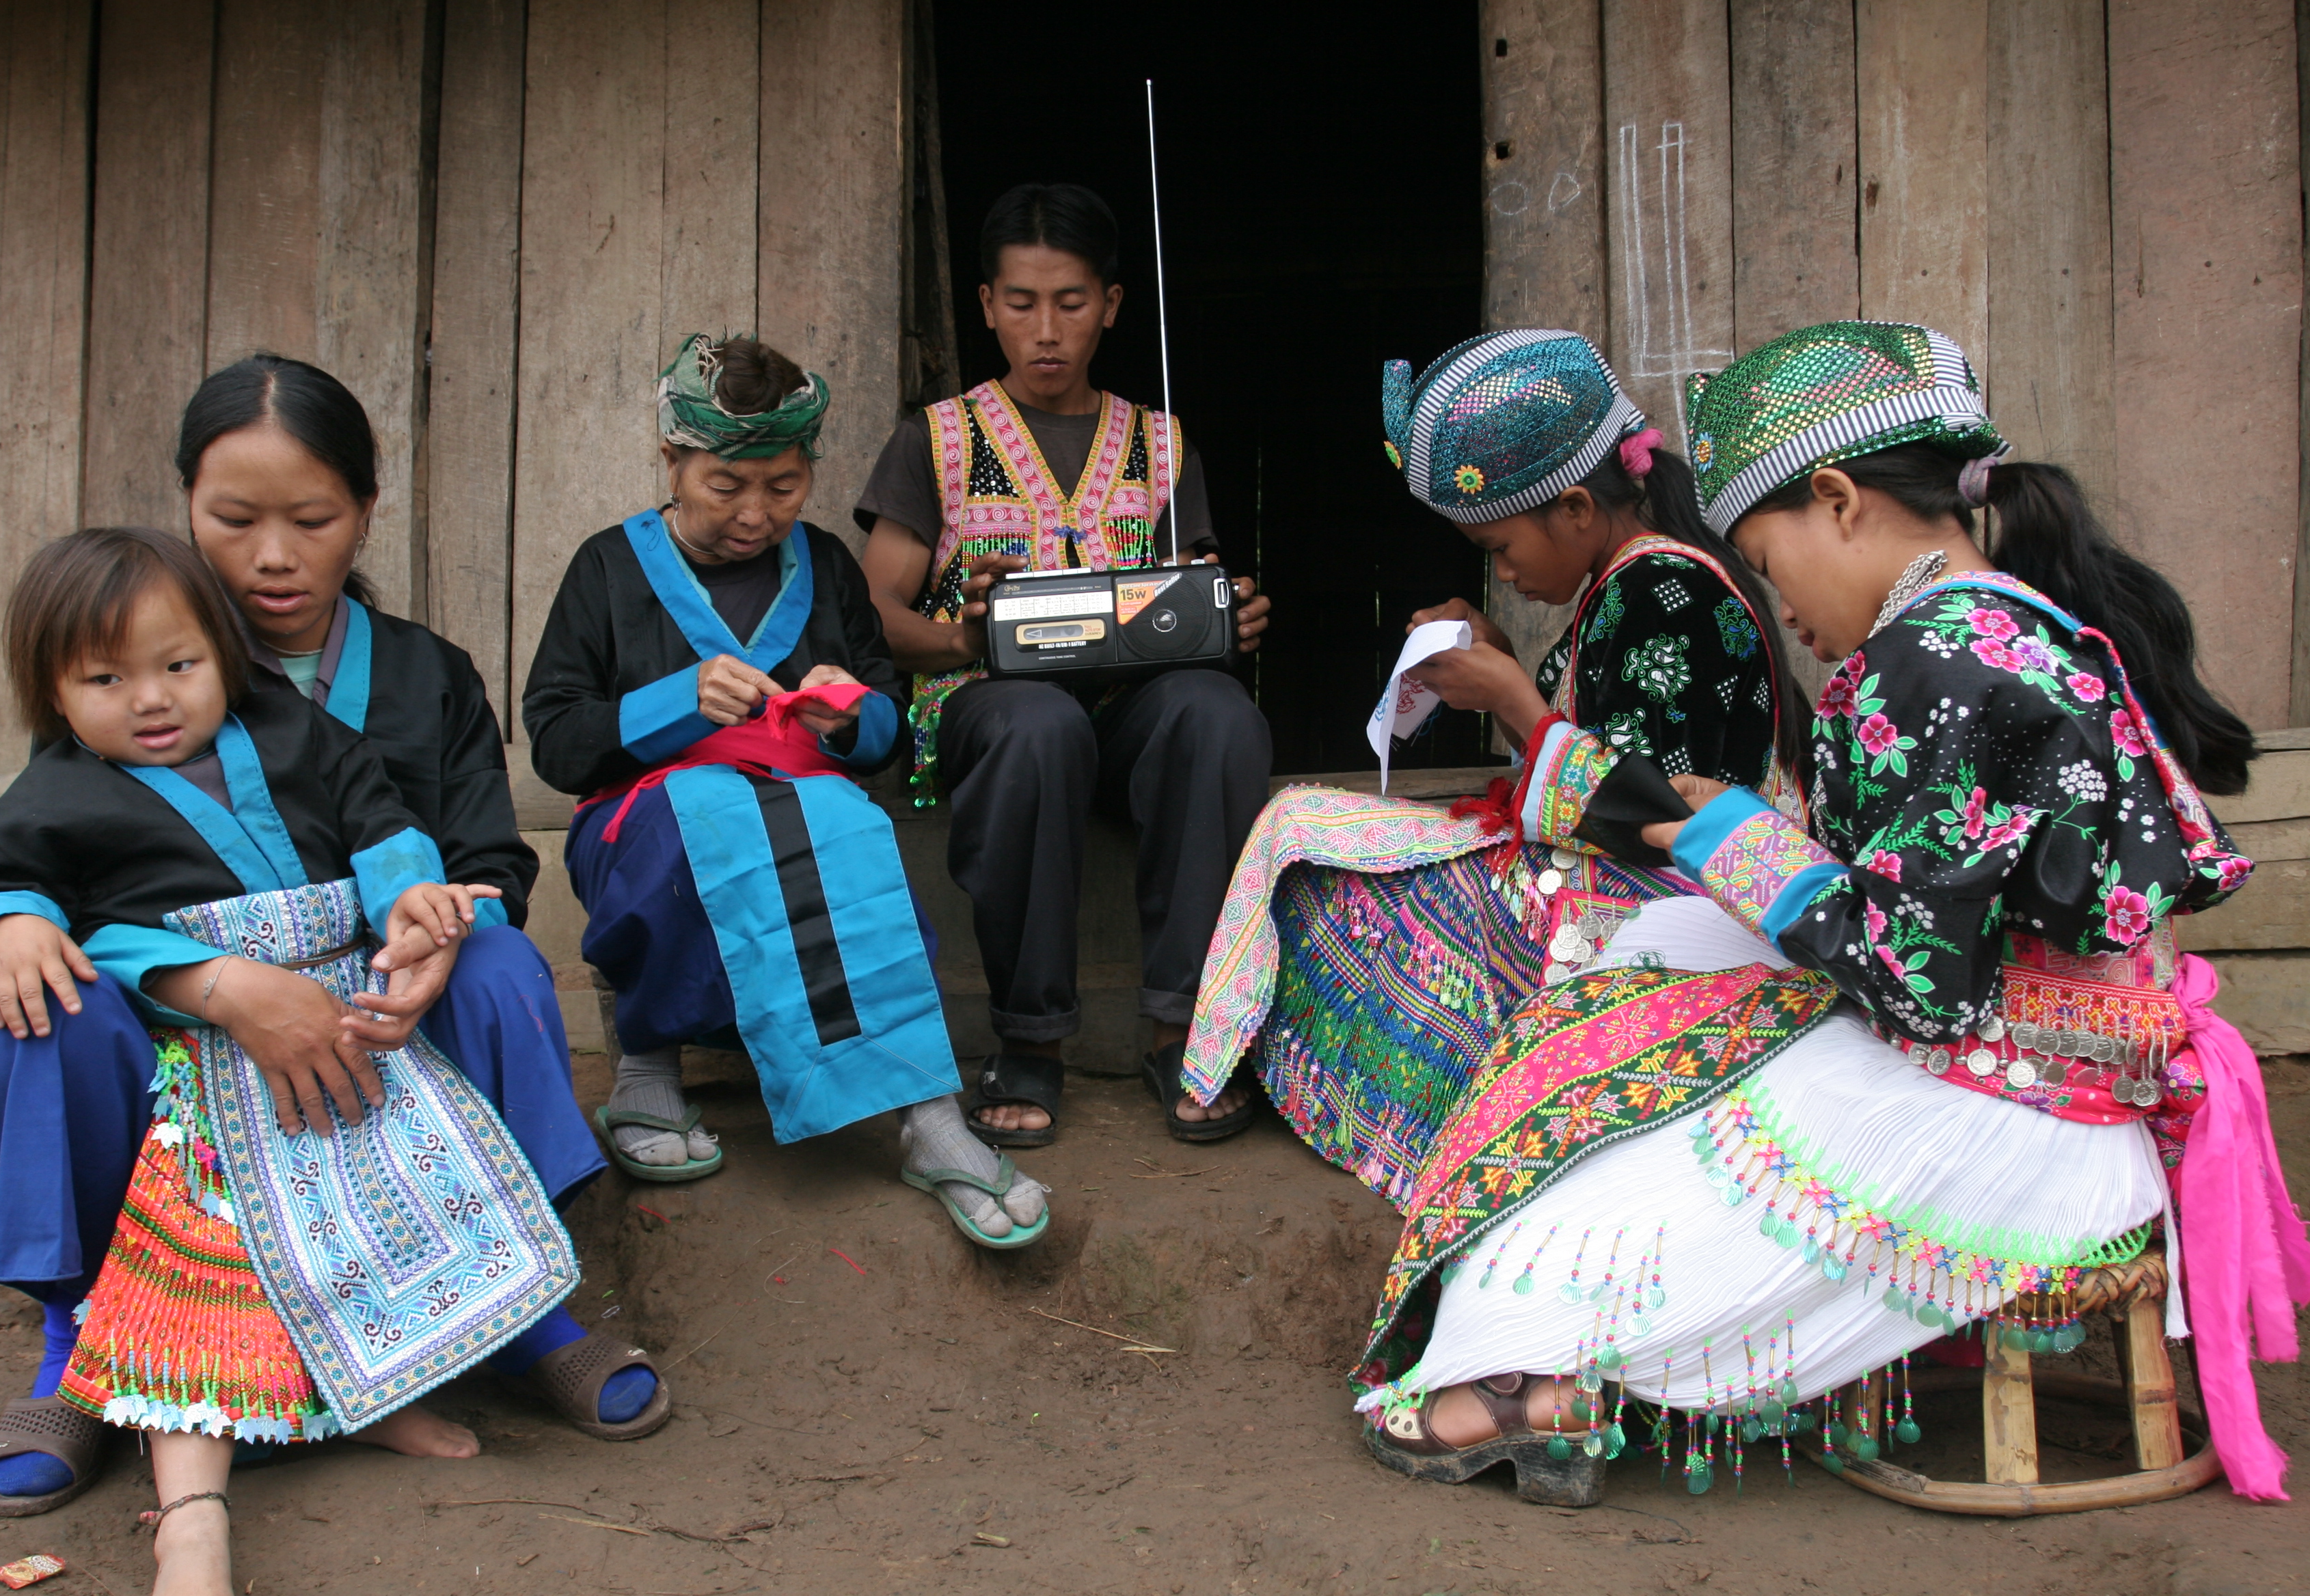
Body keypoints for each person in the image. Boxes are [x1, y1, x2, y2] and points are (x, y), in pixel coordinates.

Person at [1344, 320, 2309, 1509]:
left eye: (1763, 552)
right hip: (2025, 1067)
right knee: (1642, 978)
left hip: (2020, 1119)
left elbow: (1918, 987)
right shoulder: (1978, 623)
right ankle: (1564, 1356)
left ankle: (1556, 1377)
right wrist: (1720, 833)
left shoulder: (1933, 662)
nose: (1775, 599)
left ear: (1840, 501)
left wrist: (1714, 832)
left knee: (1601, 1149)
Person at [0, 361, 649, 1519]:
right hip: (190, 1025)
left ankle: (522, 1300)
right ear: (185, 512)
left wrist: (434, 925)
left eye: (312, 519)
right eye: (233, 521)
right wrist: (18, 920)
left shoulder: (421, 678)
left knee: (496, 966)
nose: (272, 555)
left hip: (381, 1000)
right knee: (37, 1006)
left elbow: (477, 851)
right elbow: (33, 859)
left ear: (366, 514)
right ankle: (85, 1340)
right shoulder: (122, 675)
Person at [1182, 330, 1806, 1205]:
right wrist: (1506, 661)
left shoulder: (1668, 588)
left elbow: (1665, 815)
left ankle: (1426, 1116)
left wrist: (1515, 697)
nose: (1502, 568)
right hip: (1621, 871)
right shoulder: (1630, 575)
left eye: (1503, 547)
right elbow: (1603, 749)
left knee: (1307, 838)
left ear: (1579, 508)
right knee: (1303, 829)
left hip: (1686, 906)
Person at [524, 331, 1050, 1248]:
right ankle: (647, 1069)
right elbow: (559, 742)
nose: (757, 513)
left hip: (804, 802)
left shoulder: (829, 570)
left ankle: (928, 1120)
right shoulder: (607, 570)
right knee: (704, 821)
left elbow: (885, 721)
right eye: (726, 486)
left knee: (851, 830)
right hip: (649, 812)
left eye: (784, 486)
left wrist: (846, 723)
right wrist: (674, 701)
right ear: (673, 462)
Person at [857, 182, 1273, 1146]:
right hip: (990, 712)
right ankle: (1031, 1038)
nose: (1046, 331)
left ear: (1113, 306)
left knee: (1214, 711)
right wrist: (967, 637)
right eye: (1021, 303)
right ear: (986, 305)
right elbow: (873, 613)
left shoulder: (1161, 445)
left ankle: (1183, 1027)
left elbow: (1197, 587)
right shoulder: (939, 439)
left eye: (1072, 303)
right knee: (1034, 721)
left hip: (1131, 714)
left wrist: (1230, 618)